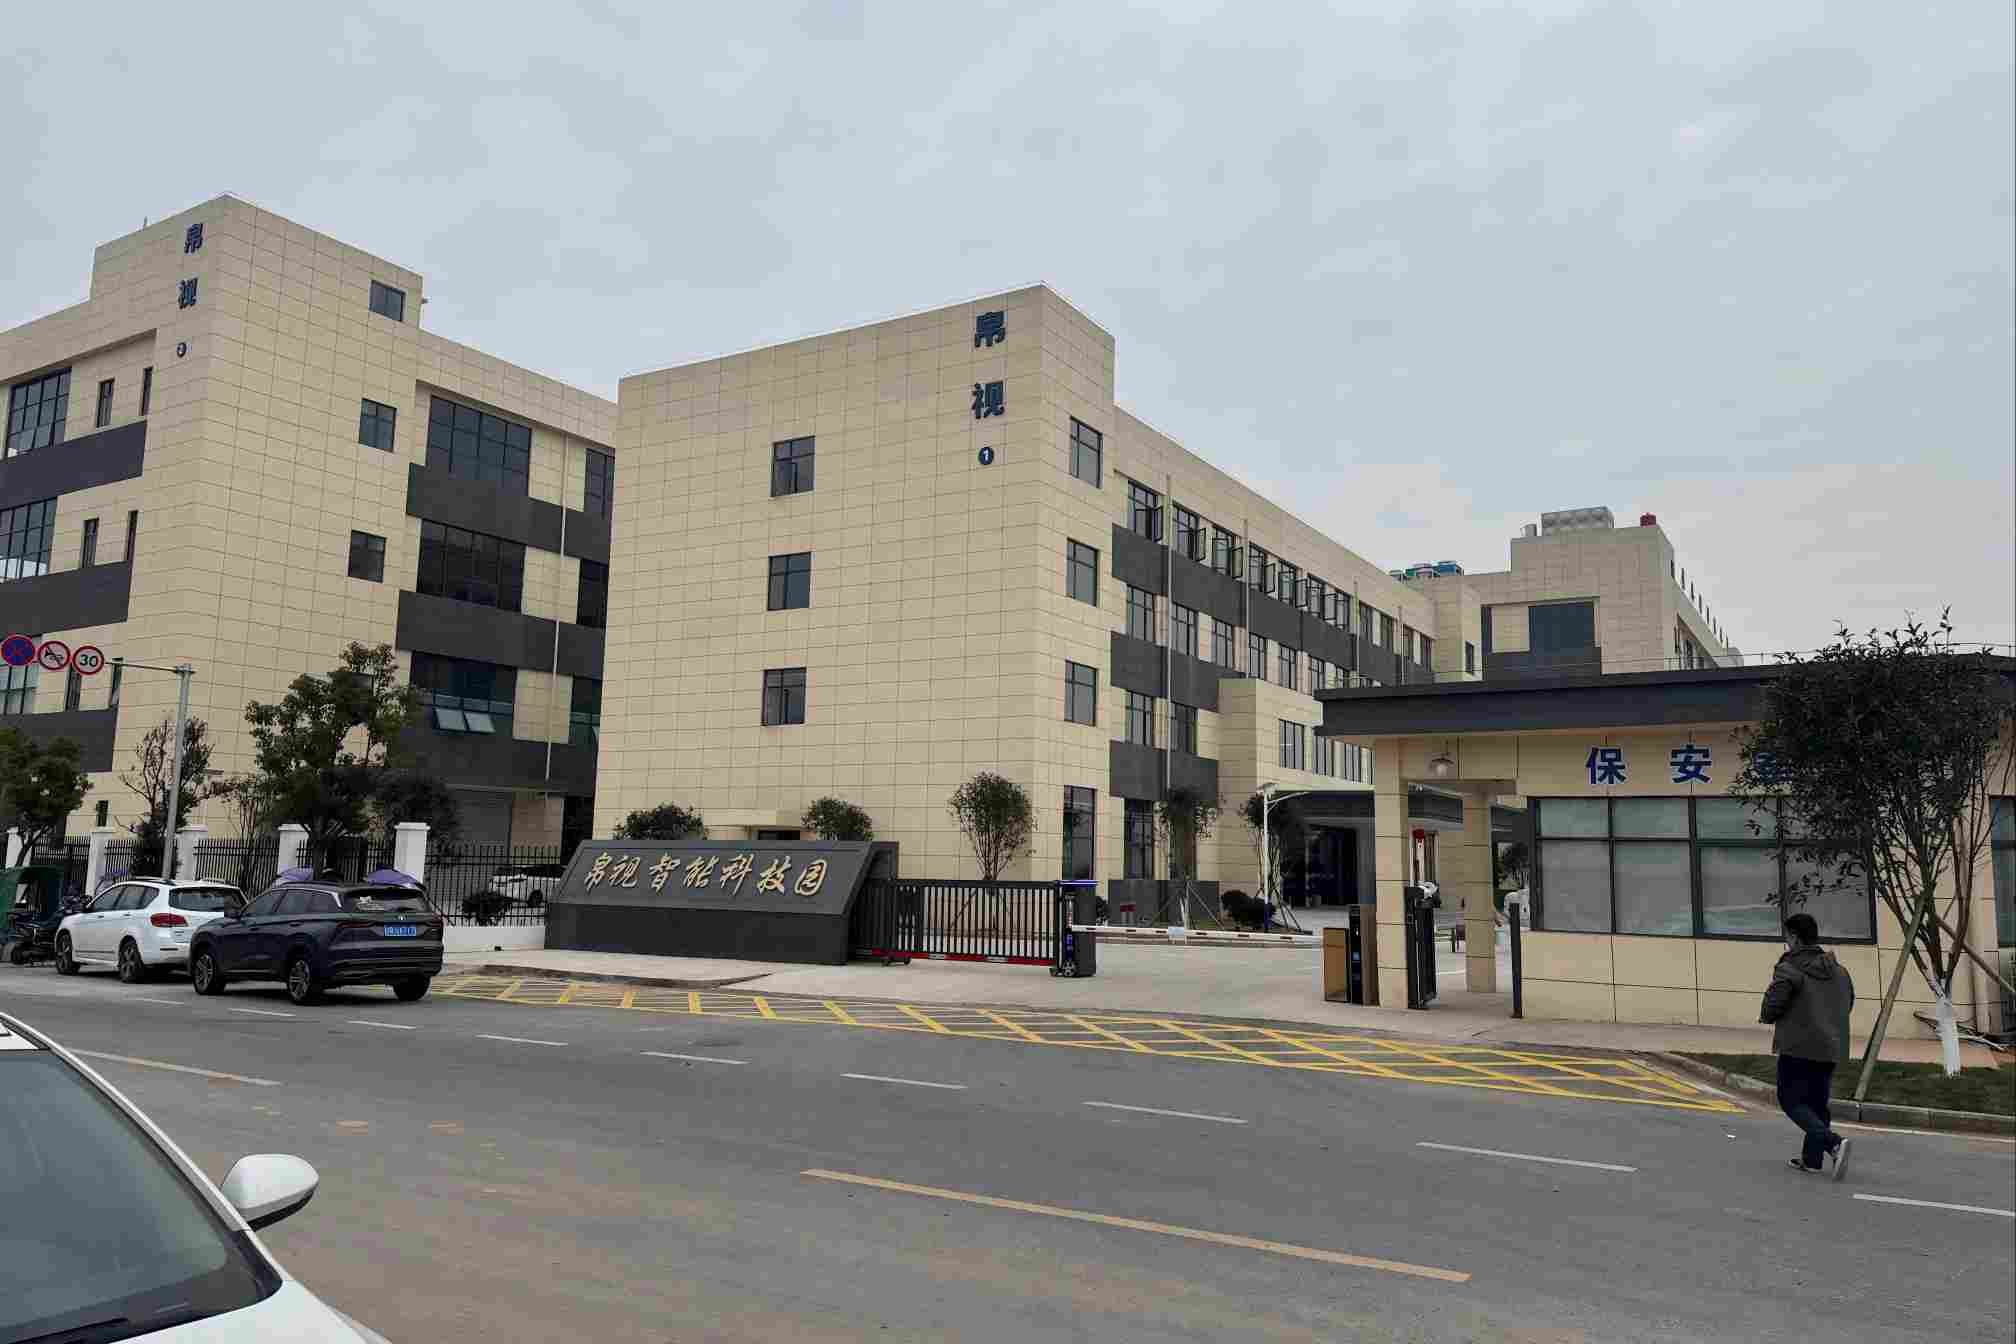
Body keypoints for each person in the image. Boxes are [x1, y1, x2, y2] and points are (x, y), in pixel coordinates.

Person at [1760, 912, 1856, 1179]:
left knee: (1790, 1099)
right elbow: (1848, 1001)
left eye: (1787, 937)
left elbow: (1774, 1004)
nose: (1787, 942)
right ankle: (1812, 1160)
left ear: (1795, 937)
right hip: (1830, 1046)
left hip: (1798, 1046)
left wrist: (1768, 1015)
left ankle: (1833, 1143)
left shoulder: (1790, 968)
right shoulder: (1839, 971)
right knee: (1816, 1104)